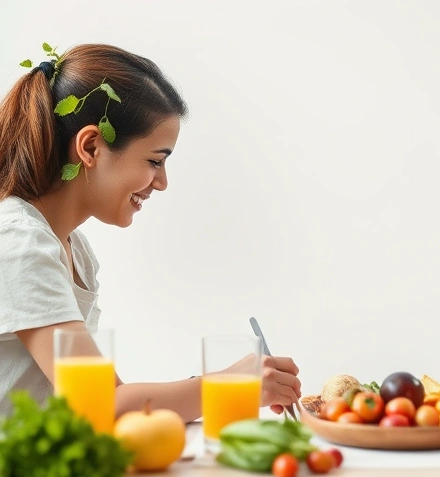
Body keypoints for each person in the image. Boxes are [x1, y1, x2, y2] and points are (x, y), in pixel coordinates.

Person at [0, 43, 301, 421]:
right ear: (90, 147)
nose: (162, 182)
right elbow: (98, 405)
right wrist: (232, 385)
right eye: (154, 161)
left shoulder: (75, 252)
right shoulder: (20, 243)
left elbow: (104, 400)